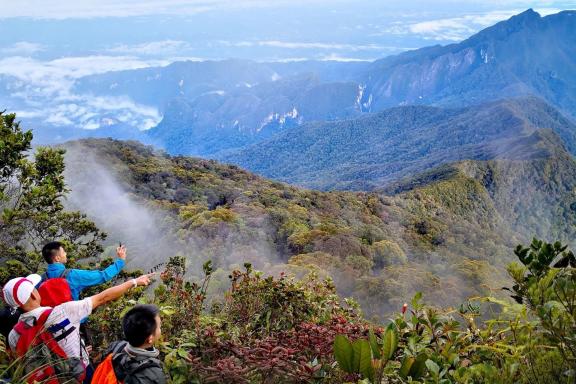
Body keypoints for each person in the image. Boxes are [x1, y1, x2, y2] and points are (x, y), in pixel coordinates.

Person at [3, 272, 154, 383]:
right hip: (79, 374)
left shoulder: (13, 336)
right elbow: (103, 297)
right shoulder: (62, 312)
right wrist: (135, 282)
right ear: (33, 295)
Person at [93, 304, 166, 383]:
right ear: (150, 338)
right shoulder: (153, 375)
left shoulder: (116, 347)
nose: (160, 329)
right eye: (159, 327)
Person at [42, 241, 127, 301]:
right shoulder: (72, 275)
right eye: (64, 252)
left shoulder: (40, 279)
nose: (66, 254)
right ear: (57, 258)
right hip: (72, 322)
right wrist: (121, 260)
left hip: (48, 322)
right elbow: (103, 276)